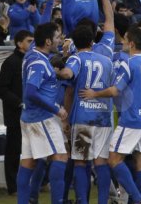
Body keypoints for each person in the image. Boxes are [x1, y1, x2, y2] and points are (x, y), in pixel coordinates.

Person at [80, 26, 141, 203]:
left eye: (124, 40)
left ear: (131, 43)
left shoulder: (128, 63)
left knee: (113, 158)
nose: (121, 43)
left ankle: (137, 199)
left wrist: (94, 94)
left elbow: (115, 91)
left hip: (133, 119)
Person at [57, 25, 114, 204]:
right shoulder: (107, 61)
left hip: (83, 118)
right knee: (101, 162)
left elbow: (68, 79)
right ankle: (103, 201)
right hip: (103, 117)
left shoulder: (76, 58)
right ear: (92, 41)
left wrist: (58, 68)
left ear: (74, 42)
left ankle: (83, 201)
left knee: (81, 161)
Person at [17, 22, 68, 204]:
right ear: (47, 41)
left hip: (28, 117)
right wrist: (57, 109)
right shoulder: (38, 62)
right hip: (41, 118)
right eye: (57, 37)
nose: (60, 40)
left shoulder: (33, 52)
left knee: (28, 163)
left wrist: (47, 3)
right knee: (60, 156)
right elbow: (30, 92)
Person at [0, 30, 34, 195]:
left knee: (35, 149)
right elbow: (0, 89)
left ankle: (38, 182)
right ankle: (13, 187)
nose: (32, 43)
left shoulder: (33, 61)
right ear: (19, 43)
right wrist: (19, 102)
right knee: (13, 151)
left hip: (32, 115)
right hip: (15, 116)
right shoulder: (10, 62)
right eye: (29, 40)